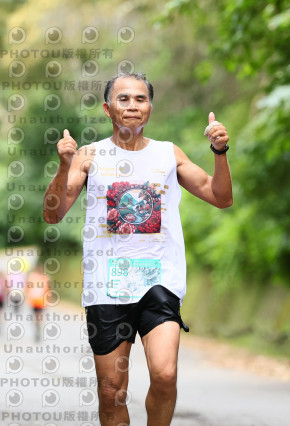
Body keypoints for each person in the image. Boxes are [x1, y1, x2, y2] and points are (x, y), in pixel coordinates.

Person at [43, 72, 232, 426]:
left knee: (165, 374)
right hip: (107, 286)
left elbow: (220, 197)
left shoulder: (168, 154)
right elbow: (53, 214)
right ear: (108, 109)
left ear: (150, 107)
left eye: (141, 99)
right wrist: (64, 165)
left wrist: (219, 152)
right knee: (111, 390)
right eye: (124, 99)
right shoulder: (89, 155)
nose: (132, 106)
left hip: (159, 280)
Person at [25, 264, 51, 342]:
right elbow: (48, 290)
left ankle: (37, 326)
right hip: (40, 300)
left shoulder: (32, 276)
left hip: (34, 300)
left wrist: (27, 296)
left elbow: (27, 287)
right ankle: (38, 326)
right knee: (39, 316)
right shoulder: (45, 278)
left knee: (36, 316)